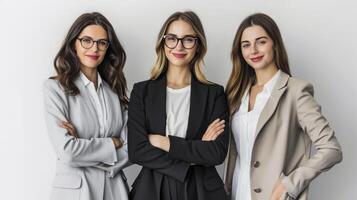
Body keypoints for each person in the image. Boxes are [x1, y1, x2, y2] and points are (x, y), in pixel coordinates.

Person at [224, 13, 343, 200]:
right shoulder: (235, 94)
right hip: (236, 193)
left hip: (275, 196)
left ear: (275, 43)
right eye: (246, 45)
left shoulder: (296, 91)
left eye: (261, 42)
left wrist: (290, 184)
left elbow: (332, 149)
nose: (253, 50)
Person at [128, 11, 229, 200]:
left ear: (198, 45)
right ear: (163, 43)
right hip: (152, 188)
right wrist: (193, 155)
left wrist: (163, 142)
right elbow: (136, 150)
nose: (179, 46)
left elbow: (216, 153)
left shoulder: (214, 93)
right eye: (172, 38)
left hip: (200, 190)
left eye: (188, 39)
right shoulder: (142, 91)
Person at [43, 12, 130, 200]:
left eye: (102, 42)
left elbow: (132, 149)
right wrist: (113, 142)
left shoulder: (115, 90)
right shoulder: (56, 88)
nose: (94, 48)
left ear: (108, 47)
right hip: (76, 192)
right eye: (87, 40)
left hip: (114, 190)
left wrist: (84, 148)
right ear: (74, 43)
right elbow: (68, 152)